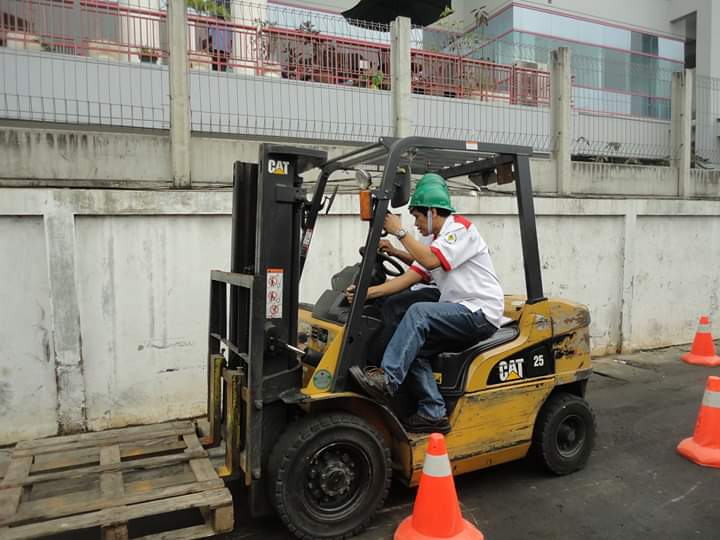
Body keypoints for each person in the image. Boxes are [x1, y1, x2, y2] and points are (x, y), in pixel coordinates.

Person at [348, 173, 505, 434]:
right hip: (458, 309)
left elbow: (431, 262)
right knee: (412, 345)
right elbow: (410, 278)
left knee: (418, 312)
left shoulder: (460, 229)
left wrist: (399, 231)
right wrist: (369, 292)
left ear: (432, 212)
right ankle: (433, 412)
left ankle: (387, 380)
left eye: (418, 217)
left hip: (480, 313)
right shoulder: (432, 241)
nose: (416, 224)